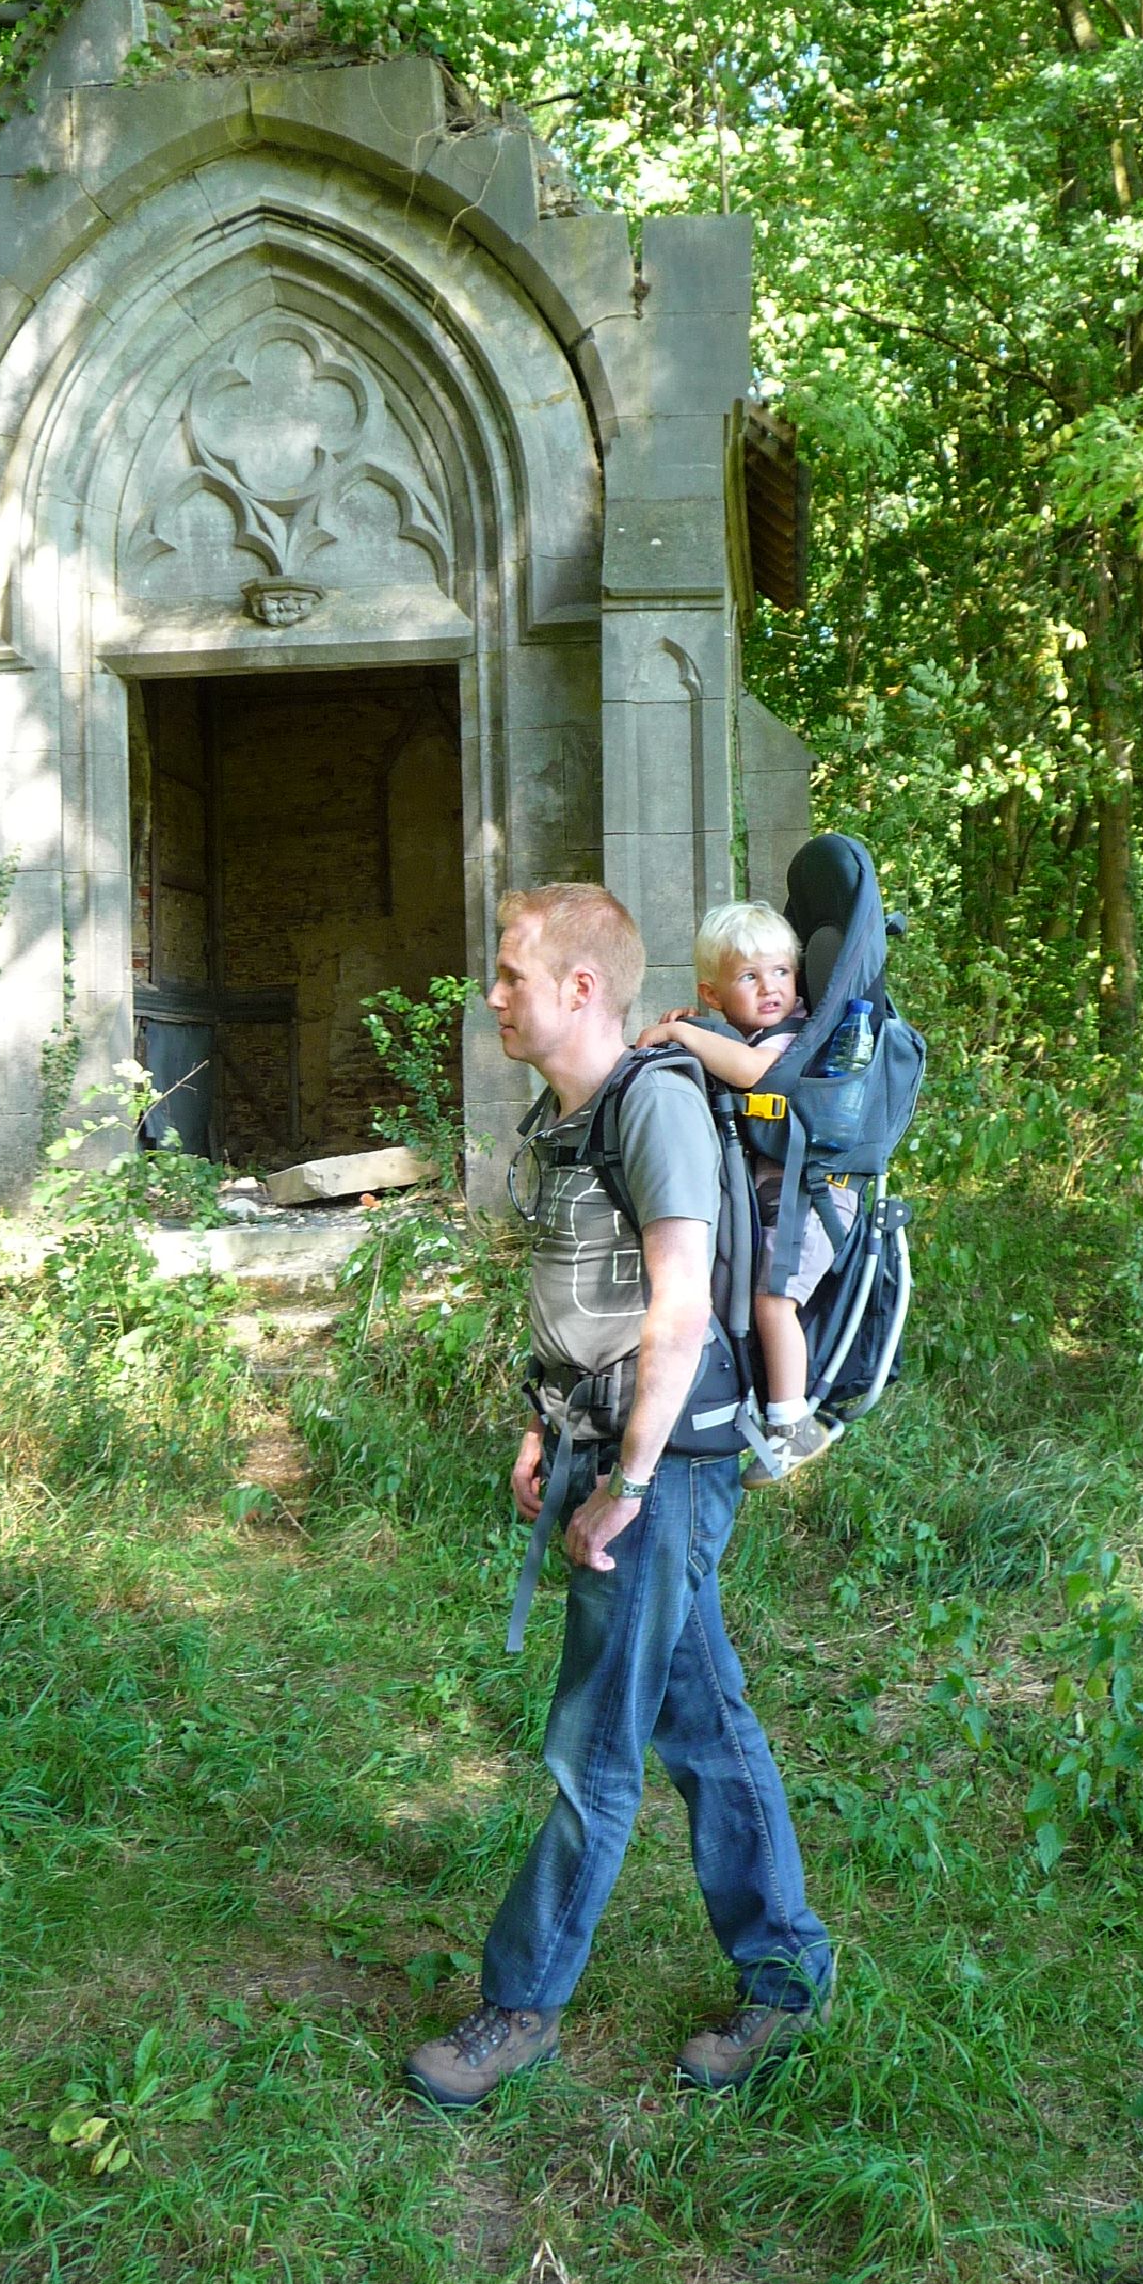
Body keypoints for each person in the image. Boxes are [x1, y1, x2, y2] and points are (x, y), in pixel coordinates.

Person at [402, 883, 834, 2112]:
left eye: (510, 974)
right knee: (701, 1720)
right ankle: (786, 1972)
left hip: (665, 1467)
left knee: (592, 1743)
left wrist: (627, 1483)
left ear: (580, 986)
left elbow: (678, 1308)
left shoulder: (655, 1106)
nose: (492, 994)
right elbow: (580, 1299)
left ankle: (520, 2003)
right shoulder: (567, 1113)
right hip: (606, 1446)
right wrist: (546, 1429)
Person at [636, 900, 860, 1485]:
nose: (770, 987)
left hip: (814, 1194)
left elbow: (752, 1071)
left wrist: (682, 1032)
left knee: (772, 1300)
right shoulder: (744, 1034)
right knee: (744, 1293)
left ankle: (793, 1425)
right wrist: (696, 1029)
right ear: (713, 994)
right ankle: (758, 1406)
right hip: (779, 1196)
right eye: (749, 977)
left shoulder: (796, 1034)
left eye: (781, 971)